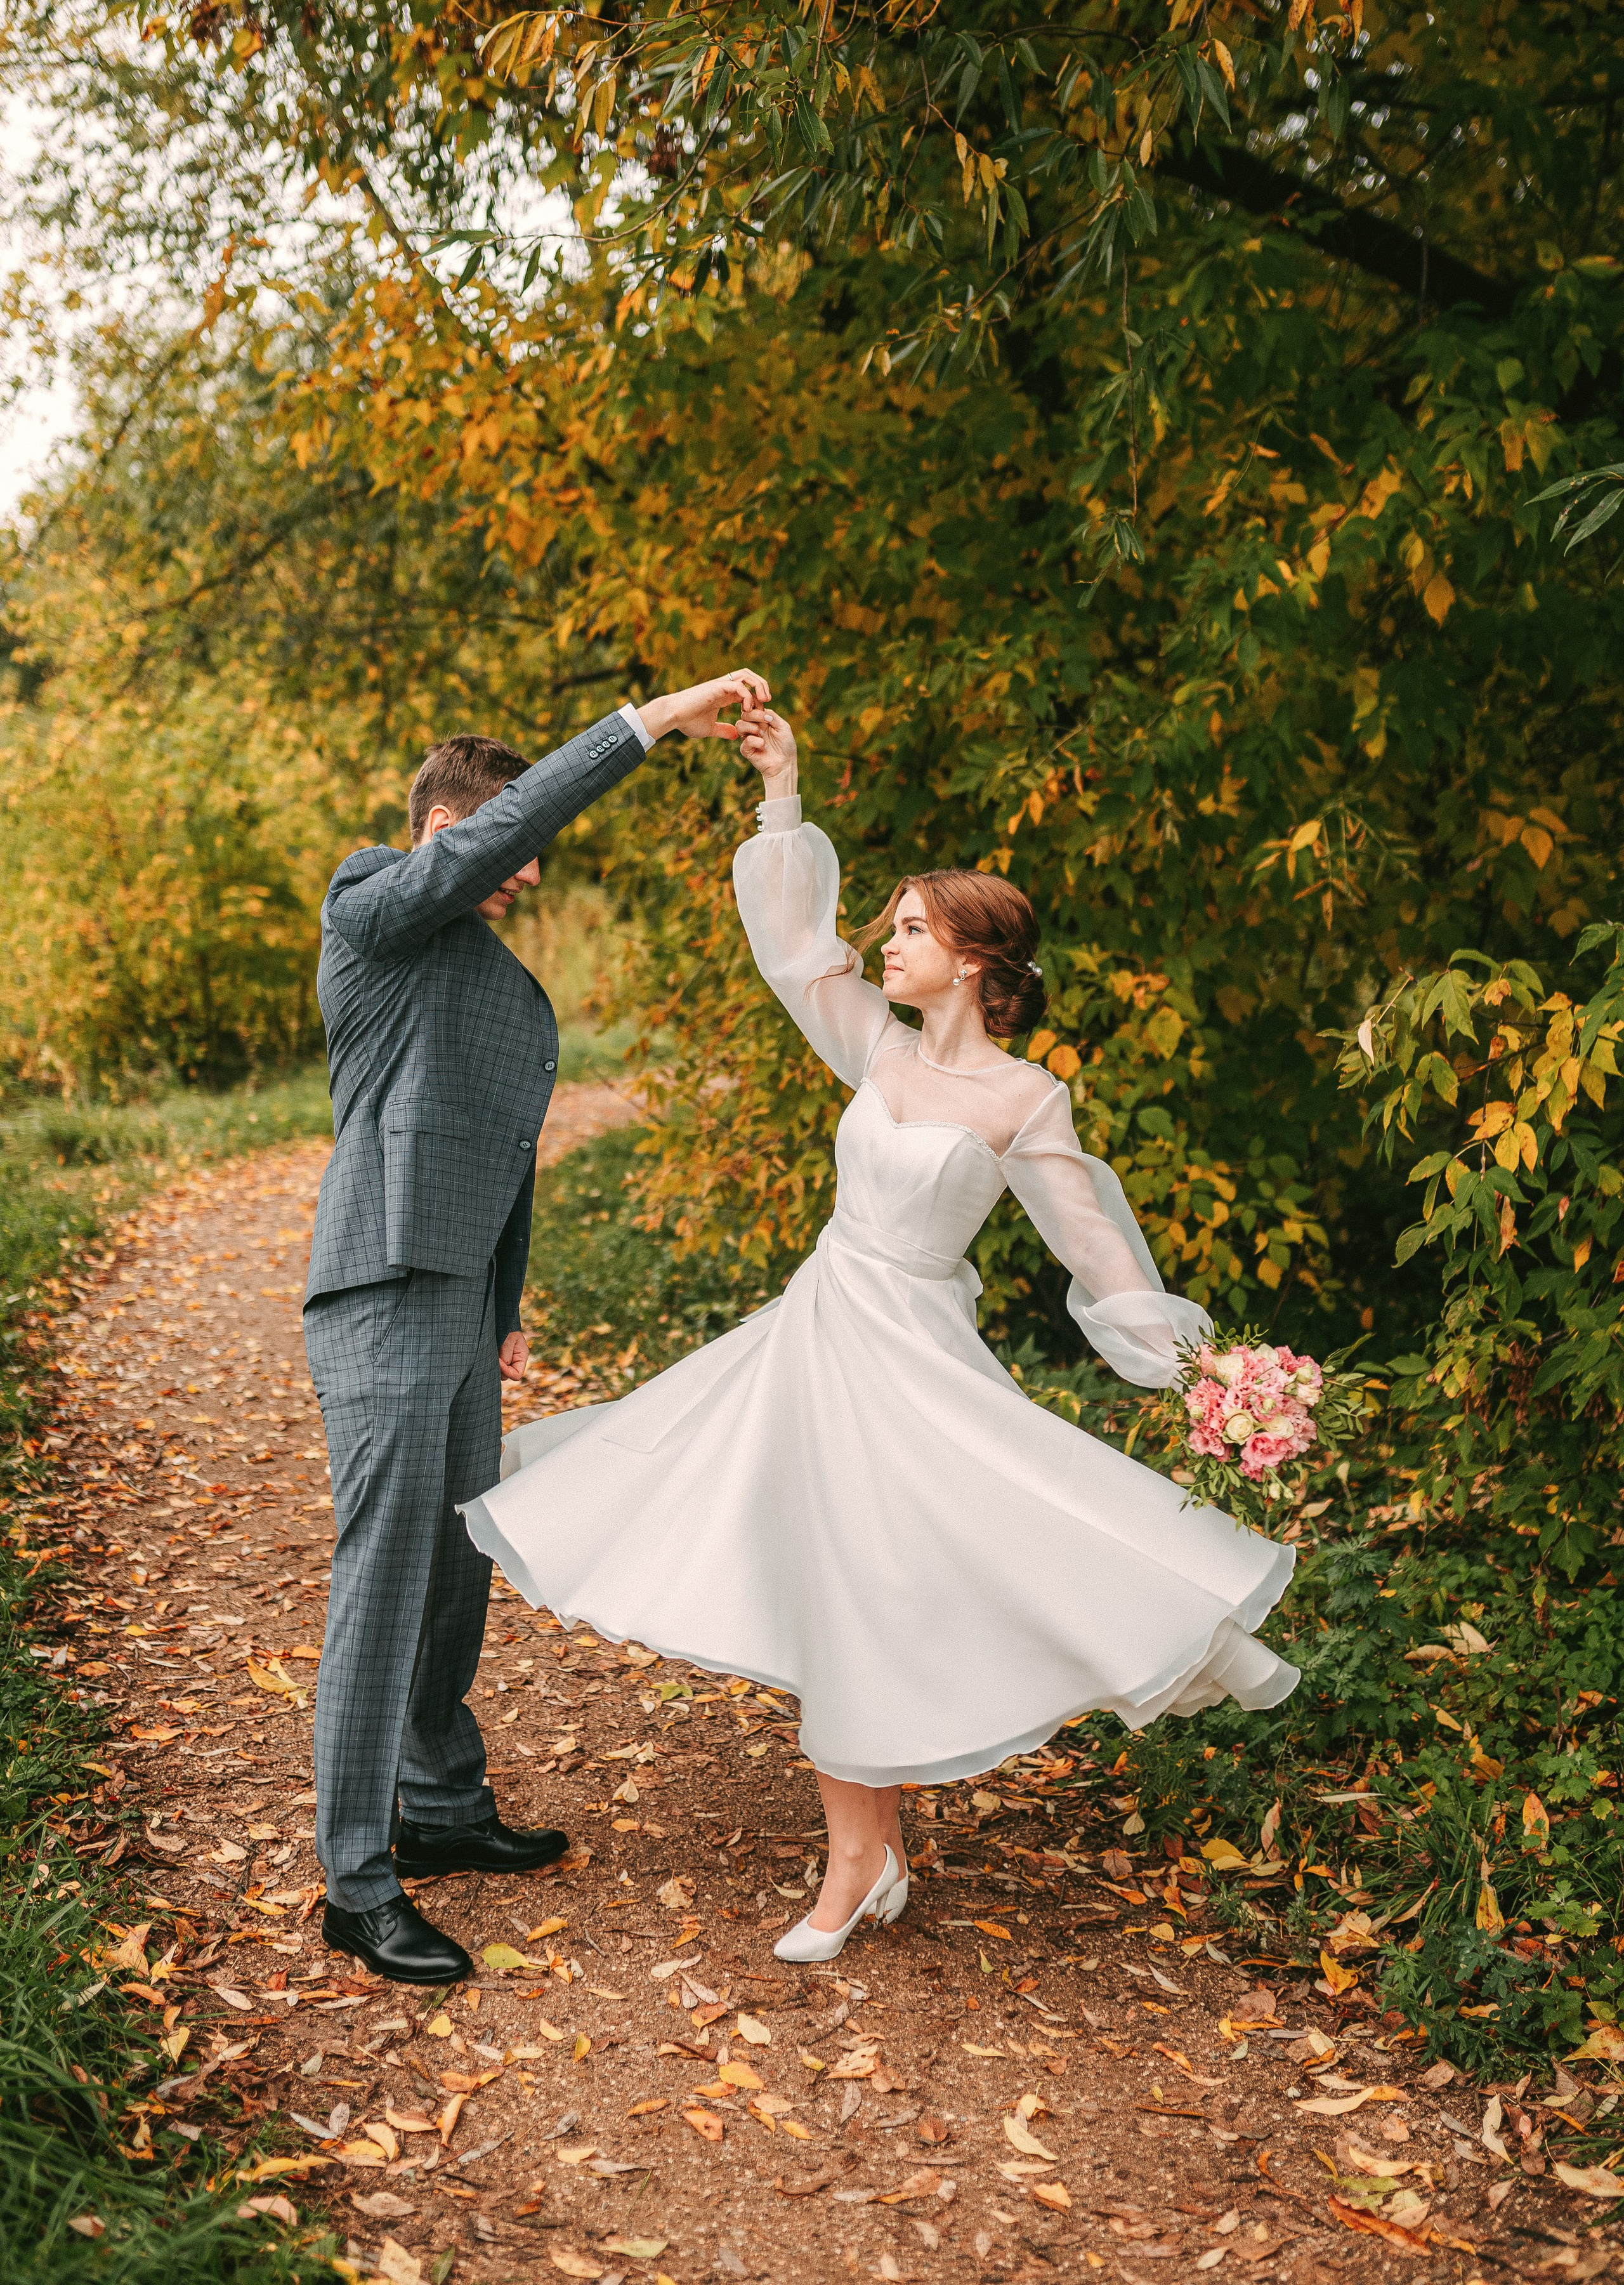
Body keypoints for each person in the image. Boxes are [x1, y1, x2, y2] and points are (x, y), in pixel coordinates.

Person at [459, 702, 1299, 1965]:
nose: (883, 943)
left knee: (915, 1576)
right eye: (890, 923)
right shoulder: (875, 1049)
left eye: (909, 929)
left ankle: (864, 1859)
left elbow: (1099, 1252)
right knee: (816, 1581)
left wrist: (1203, 1374)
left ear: (972, 957)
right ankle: (866, 1856)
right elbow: (798, 950)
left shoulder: (1022, 1099)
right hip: (816, 1337)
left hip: (912, 1359)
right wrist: (781, 792)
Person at [303, 670, 770, 1985]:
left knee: (456, 1570)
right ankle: (354, 1882)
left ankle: (441, 1811)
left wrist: (505, 1309)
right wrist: (648, 723)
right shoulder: (372, 910)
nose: (525, 875)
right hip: (384, 1287)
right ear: (442, 831)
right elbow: (492, 844)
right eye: (505, 848)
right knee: (385, 1583)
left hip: (458, 1298)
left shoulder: (494, 981)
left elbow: (505, 1156)